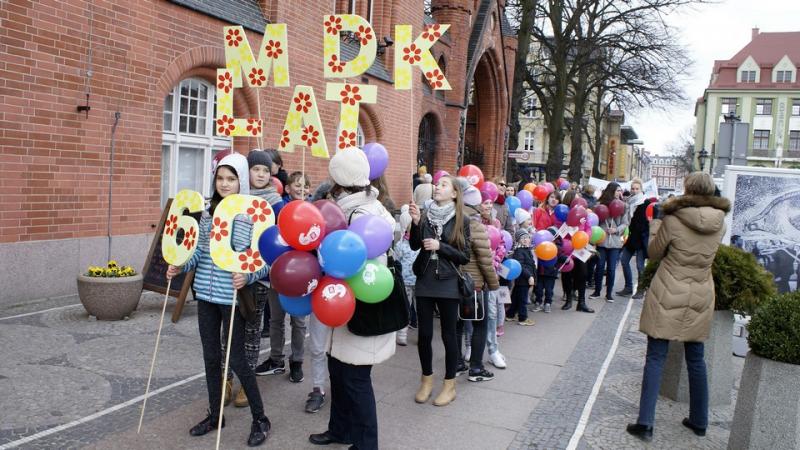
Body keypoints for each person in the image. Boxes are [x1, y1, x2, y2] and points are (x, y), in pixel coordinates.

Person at [166, 152, 270, 447]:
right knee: (210, 357)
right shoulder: (208, 212)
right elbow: (198, 252)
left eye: (231, 178)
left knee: (236, 359)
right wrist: (180, 264)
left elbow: (263, 260)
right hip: (206, 295)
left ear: (241, 182)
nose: (225, 184)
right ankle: (215, 415)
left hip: (232, 298)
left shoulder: (250, 214)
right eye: (220, 178)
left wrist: (248, 276)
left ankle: (260, 418)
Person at [626, 172, 731, 442]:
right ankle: (700, 420)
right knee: (696, 358)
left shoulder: (673, 219)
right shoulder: (720, 224)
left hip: (669, 290)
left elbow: (653, 253)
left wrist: (656, 224)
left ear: (688, 190)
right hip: (700, 292)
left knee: (656, 357)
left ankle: (646, 423)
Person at [309, 148, 397, 450]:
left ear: (340, 180)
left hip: (361, 308)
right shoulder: (355, 206)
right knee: (339, 373)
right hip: (343, 308)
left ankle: (365, 444)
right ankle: (340, 430)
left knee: (356, 381)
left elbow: (370, 267)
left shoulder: (363, 213)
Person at [409, 175, 471, 407]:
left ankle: (449, 385)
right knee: (424, 335)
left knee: (448, 334)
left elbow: (465, 256)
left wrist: (441, 246)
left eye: (444, 185)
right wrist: (415, 224)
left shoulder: (461, 220)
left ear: (454, 193)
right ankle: (426, 381)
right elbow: (415, 245)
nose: (438, 187)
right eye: (438, 184)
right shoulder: (425, 215)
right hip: (425, 277)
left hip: (448, 281)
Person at [230, 150, 284, 408]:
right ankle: (226, 378)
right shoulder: (236, 198)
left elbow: (280, 238)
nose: (261, 174)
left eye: (265, 170)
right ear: (247, 172)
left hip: (260, 276)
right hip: (232, 273)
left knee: (252, 330)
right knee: (228, 331)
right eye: (256, 169)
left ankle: (247, 383)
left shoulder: (275, 201)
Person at [255, 174, 309, 384]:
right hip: (277, 272)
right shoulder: (279, 208)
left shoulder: (311, 210)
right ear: (287, 188)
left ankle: (297, 361)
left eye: (305, 186)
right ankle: (276, 359)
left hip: (301, 274)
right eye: (297, 185)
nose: (301, 189)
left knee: (298, 321)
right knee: (275, 319)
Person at [456, 179, 500, 382]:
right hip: (473, 285)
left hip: (453, 283)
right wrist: (494, 285)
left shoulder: (452, 223)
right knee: (480, 325)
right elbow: (485, 260)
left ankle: (456, 363)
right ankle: (475, 367)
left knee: (456, 325)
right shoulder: (476, 226)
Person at [590, 183, 629, 303]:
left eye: (620, 191)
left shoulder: (623, 206)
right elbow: (595, 221)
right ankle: (597, 291)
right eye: (617, 191)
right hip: (602, 240)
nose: (619, 193)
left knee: (611, 268)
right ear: (611, 191)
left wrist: (616, 230)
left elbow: (625, 223)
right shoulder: (600, 205)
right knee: (600, 267)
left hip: (615, 243)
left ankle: (609, 294)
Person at [559, 190, 595, 313]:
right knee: (567, 274)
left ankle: (581, 302)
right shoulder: (566, 215)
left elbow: (588, 228)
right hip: (568, 249)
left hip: (580, 249)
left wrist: (585, 236)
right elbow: (561, 231)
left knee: (583, 274)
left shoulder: (584, 217)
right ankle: (568, 300)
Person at [618, 179, 651, 299]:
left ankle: (641, 290)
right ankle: (628, 287)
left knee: (640, 266)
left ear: (641, 189)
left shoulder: (646, 203)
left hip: (641, 238)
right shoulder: (629, 203)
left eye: (637, 188)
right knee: (624, 260)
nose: (634, 191)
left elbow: (649, 221)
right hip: (631, 237)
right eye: (633, 188)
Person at [394, 205, 419, 345]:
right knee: (407, 307)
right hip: (409, 281)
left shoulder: (418, 243)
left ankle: (413, 336)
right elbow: (397, 260)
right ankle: (402, 335)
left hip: (417, 280)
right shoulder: (402, 245)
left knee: (415, 308)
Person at [507, 229, 536, 325]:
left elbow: (530, 264)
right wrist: (529, 277)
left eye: (527, 237)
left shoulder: (527, 250)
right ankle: (523, 318)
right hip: (523, 279)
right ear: (518, 240)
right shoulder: (519, 251)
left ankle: (510, 314)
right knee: (523, 299)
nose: (525, 240)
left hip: (523, 280)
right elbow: (521, 266)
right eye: (522, 238)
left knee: (516, 297)